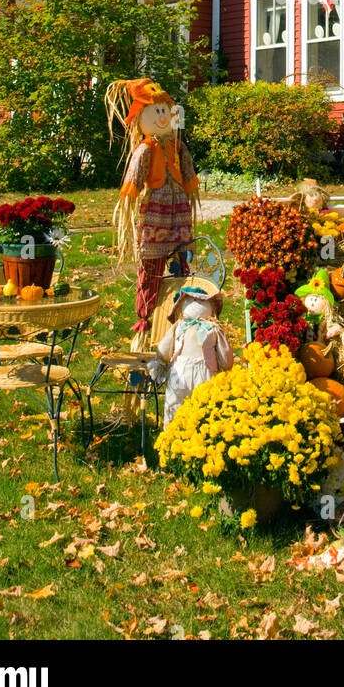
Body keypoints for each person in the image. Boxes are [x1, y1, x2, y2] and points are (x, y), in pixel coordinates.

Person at [105, 78, 200, 341]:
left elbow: (188, 171)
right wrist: (129, 198)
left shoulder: (177, 146)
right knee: (152, 260)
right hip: (156, 212)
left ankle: (182, 311)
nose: (162, 116)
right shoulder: (145, 149)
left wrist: (191, 190)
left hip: (179, 211)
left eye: (164, 110)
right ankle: (146, 318)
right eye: (156, 111)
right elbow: (135, 176)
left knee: (182, 257)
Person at [151, 281, 233, 427]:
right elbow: (165, 346)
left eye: (201, 301)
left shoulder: (213, 328)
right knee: (176, 401)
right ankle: (173, 430)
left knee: (206, 402)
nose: (197, 304)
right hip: (180, 371)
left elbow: (223, 350)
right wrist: (161, 358)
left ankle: (204, 431)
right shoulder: (179, 326)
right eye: (192, 300)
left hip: (204, 371)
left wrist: (226, 364)